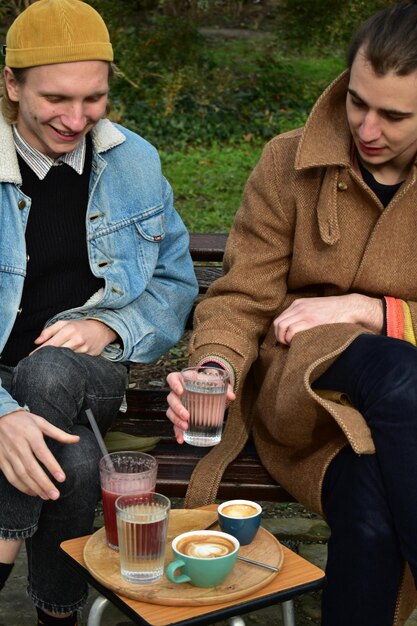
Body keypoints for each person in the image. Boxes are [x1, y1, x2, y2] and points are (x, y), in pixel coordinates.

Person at [166, 2, 417, 624]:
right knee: (397, 373)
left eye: (395, 115)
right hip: (301, 388)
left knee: (370, 517)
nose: (367, 127)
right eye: (358, 101)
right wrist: (218, 364)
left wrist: (374, 308)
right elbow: (241, 296)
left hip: (397, 429)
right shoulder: (288, 161)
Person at [0, 0, 198, 624]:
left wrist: (107, 325)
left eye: (95, 98)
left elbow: (173, 281)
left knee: (53, 368)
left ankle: (2, 541)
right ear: (10, 84)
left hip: (92, 374)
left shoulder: (133, 162)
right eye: (56, 98)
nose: (76, 118)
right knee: (80, 460)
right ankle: (58, 614)